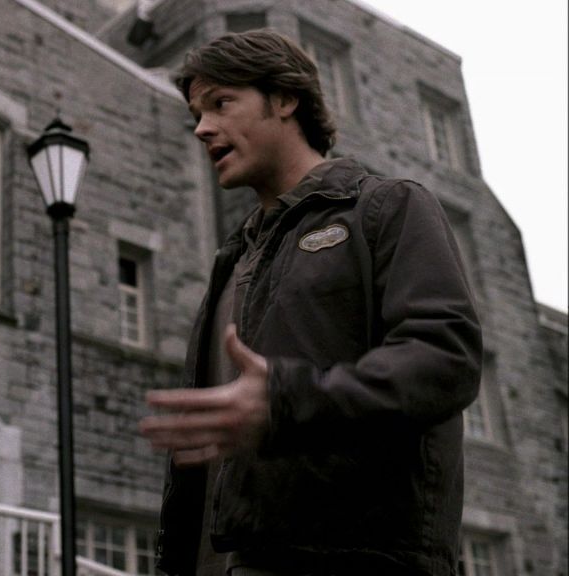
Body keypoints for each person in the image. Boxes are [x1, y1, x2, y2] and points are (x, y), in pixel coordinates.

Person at [139, 29, 482, 576]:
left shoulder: (386, 208)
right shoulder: (231, 261)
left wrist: (287, 400)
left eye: (221, 103)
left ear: (284, 98)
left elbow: (446, 360)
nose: (202, 127)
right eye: (197, 114)